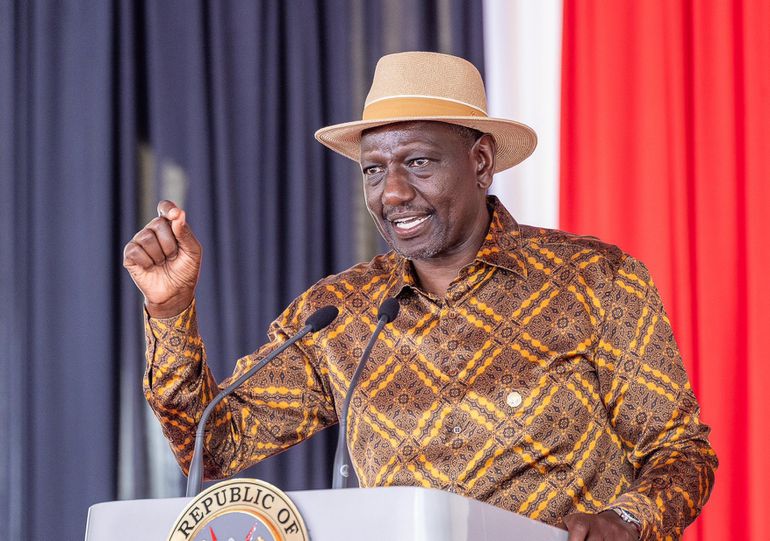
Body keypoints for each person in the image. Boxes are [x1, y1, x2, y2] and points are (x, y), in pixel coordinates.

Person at [123, 52, 716, 540]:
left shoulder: (595, 279)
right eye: (373, 170)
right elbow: (216, 445)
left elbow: (681, 451)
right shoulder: (340, 313)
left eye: (419, 162)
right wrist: (170, 313)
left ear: (480, 163)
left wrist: (628, 521)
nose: (394, 192)